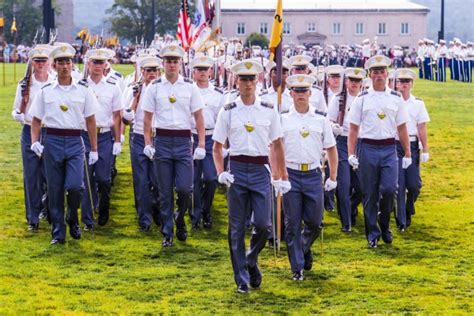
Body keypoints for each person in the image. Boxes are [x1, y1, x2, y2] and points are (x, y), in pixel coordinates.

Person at [212, 59, 289, 293]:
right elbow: (216, 147)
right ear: (236, 80)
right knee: (236, 228)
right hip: (236, 169)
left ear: (258, 80)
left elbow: (277, 145)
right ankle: (241, 279)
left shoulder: (268, 109)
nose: (247, 83)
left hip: (259, 170)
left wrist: (280, 176)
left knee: (264, 225)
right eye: (243, 78)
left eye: (251, 78)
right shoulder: (228, 111)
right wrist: (221, 173)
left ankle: (251, 259)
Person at [28, 43, 99, 245]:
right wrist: (35, 142)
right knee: (55, 189)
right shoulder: (46, 91)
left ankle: (72, 218)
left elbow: (91, 120)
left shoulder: (83, 90)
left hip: (75, 141)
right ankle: (58, 233)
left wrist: (94, 148)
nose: (64, 66)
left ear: (72, 64)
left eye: (67, 62)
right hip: (52, 140)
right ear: (54, 66)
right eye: (60, 62)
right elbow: (35, 119)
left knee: (76, 186)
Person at [142, 44, 206, 247]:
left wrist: (201, 143)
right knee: (165, 191)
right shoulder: (155, 87)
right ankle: (167, 232)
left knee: (186, 189)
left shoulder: (189, 86)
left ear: (180, 63)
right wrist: (148, 143)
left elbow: (199, 116)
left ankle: (180, 219)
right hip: (162, 140)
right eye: (168, 61)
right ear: (163, 64)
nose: (171, 64)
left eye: (175, 61)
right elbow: (146, 119)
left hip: (183, 141)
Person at [347, 55, 412, 249]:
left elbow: (402, 128)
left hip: (389, 148)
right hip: (367, 147)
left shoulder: (396, 98)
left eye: (382, 71)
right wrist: (351, 153)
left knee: (390, 189)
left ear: (387, 74)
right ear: (369, 75)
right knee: (370, 194)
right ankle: (372, 233)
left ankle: (384, 224)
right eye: (375, 72)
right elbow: (353, 128)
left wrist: (407, 152)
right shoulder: (362, 98)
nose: (379, 75)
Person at [281, 74, 338, 281]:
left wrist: (333, 176)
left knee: (315, 222)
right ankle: (297, 267)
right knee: (292, 223)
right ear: (291, 94)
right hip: (291, 174)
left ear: (310, 93)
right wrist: (279, 174)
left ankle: (303, 248)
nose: (301, 95)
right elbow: (276, 148)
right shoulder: (282, 119)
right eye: (296, 91)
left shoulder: (321, 118)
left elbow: (331, 149)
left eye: (304, 91)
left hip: (314, 174)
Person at [11, 45, 54, 231]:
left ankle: (50, 209)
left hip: (51, 132)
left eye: (44, 60)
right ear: (32, 63)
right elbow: (16, 111)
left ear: (49, 62)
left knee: (51, 175)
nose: (41, 64)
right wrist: (22, 109)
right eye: (37, 61)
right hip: (29, 131)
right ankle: (33, 217)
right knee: (31, 176)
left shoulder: (55, 82)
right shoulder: (24, 84)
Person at [80, 48, 123, 230]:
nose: (97, 66)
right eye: (94, 62)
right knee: (86, 179)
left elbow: (117, 115)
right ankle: (87, 219)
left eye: (101, 63)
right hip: (83, 135)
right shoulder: (81, 86)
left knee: (104, 179)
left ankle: (103, 207)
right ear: (88, 64)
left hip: (104, 135)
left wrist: (117, 139)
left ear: (106, 65)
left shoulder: (113, 87)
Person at [123, 55, 162, 232]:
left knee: (158, 179)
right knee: (141, 180)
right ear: (143, 72)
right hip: (139, 136)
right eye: (149, 71)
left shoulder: (163, 90)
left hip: (158, 137)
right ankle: (144, 218)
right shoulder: (134, 89)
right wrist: (135, 98)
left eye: (155, 70)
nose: (152, 74)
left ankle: (157, 209)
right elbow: (126, 117)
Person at [327, 68, 366, 232]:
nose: (355, 84)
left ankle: (350, 207)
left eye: (358, 81)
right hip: (342, 141)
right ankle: (346, 222)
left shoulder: (366, 99)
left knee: (363, 186)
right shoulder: (338, 99)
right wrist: (333, 126)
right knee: (344, 184)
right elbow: (328, 120)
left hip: (361, 142)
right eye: (352, 80)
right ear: (347, 82)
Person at [189, 55, 225, 229]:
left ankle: (206, 209)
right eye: (199, 69)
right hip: (191, 137)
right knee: (193, 180)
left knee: (211, 178)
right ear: (193, 72)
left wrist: (222, 144)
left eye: (205, 69)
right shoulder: (187, 90)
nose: (202, 73)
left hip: (211, 138)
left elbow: (222, 120)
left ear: (210, 71)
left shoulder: (218, 94)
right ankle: (195, 215)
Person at [393, 69, 430, 231]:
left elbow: (421, 127)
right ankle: (401, 220)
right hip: (395, 145)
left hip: (413, 145)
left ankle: (408, 207)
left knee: (414, 185)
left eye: (407, 82)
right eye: (401, 82)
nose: (404, 85)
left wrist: (426, 148)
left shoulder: (418, 103)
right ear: (396, 84)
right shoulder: (392, 101)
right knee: (399, 185)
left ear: (412, 84)